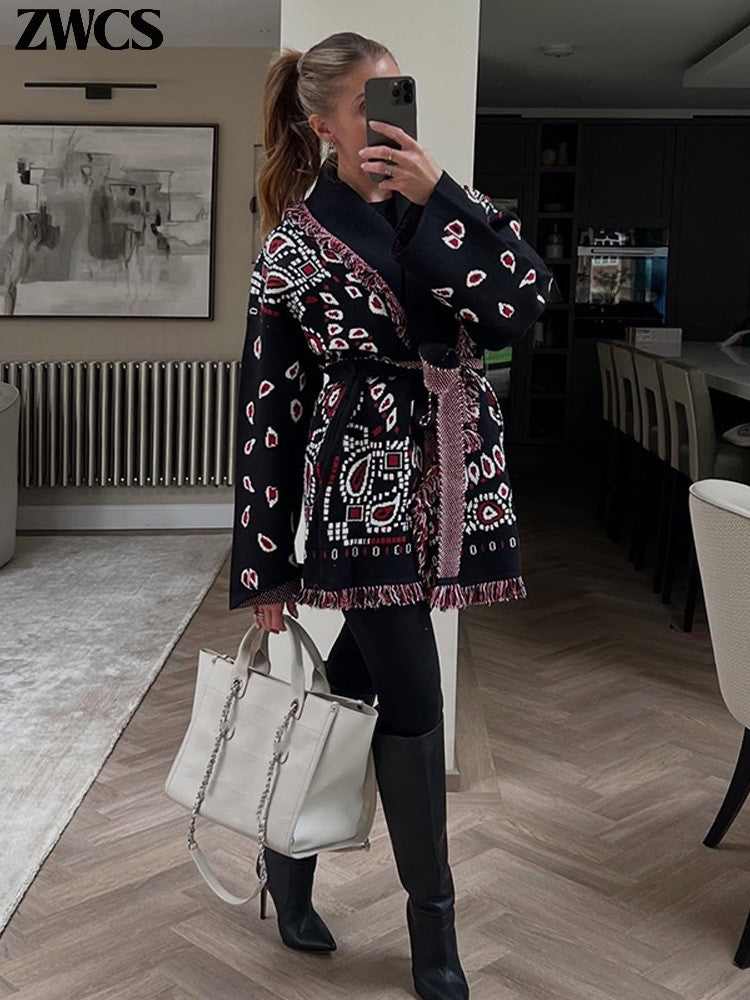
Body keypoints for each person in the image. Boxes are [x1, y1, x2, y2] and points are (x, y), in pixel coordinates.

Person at [229, 31, 553, 1000]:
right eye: (371, 104)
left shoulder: (450, 205)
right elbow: (268, 410)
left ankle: (284, 862)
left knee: (349, 690)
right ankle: (433, 934)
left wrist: (439, 197)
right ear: (323, 124)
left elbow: (522, 308)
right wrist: (262, 564)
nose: (388, 121)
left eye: (397, 97)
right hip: (358, 493)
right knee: (413, 698)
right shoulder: (292, 245)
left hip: (454, 486)